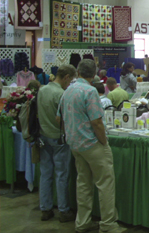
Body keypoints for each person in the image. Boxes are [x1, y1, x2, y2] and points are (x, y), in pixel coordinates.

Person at [57, 59, 124, 233]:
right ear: (94, 74)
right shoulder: (90, 91)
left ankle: (83, 222)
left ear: (78, 72)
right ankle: (108, 224)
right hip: (92, 144)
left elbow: (59, 119)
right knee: (105, 184)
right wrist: (104, 142)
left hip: (75, 144)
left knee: (83, 184)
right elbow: (97, 122)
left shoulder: (67, 91)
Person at [37, 65, 76, 222]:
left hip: (42, 136)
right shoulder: (61, 94)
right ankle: (63, 210)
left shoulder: (42, 90)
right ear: (66, 77)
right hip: (58, 138)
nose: (70, 84)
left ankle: (45, 209)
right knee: (61, 175)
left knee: (45, 174)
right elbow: (64, 119)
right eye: (71, 80)